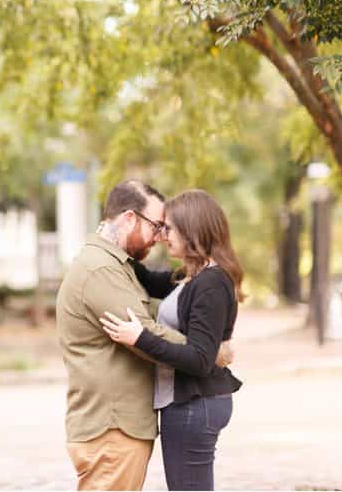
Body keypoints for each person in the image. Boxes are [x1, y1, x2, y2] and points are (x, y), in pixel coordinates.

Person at [56, 179, 232, 491]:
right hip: (112, 425)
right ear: (128, 219)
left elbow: (151, 300)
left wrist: (202, 351)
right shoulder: (103, 269)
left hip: (129, 422)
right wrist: (209, 352)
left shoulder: (120, 266)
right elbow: (144, 330)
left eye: (168, 228)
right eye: (157, 225)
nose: (160, 237)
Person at [100, 189, 244, 490]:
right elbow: (148, 279)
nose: (163, 235)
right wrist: (111, 240)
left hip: (195, 402)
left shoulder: (211, 283)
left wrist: (140, 338)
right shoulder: (191, 275)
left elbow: (200, 359)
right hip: (189, 402)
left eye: (169, 228)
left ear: (192, 230)